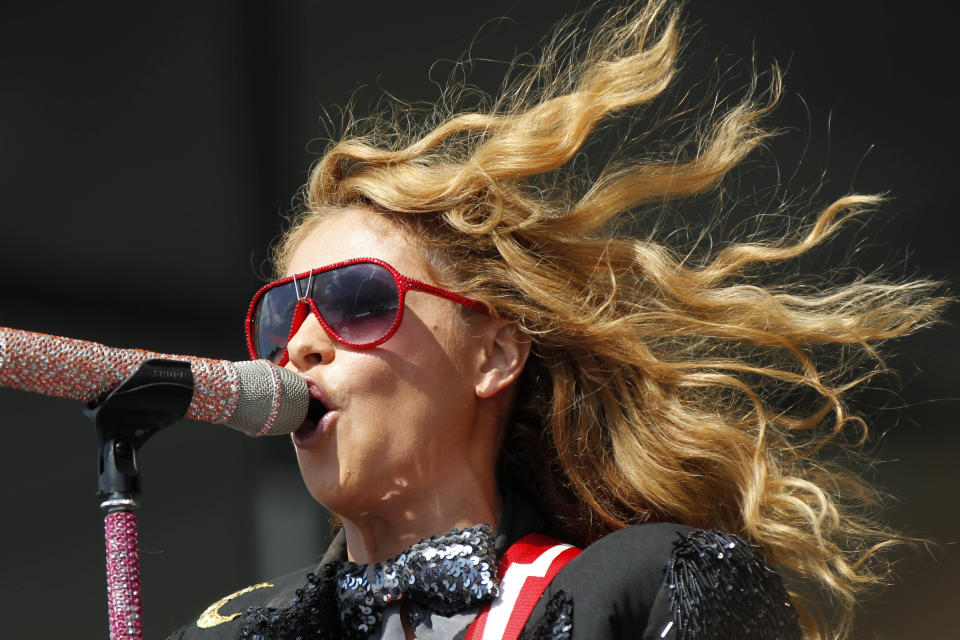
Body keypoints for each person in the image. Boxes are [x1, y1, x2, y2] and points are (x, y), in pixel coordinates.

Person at [168, 2, 947, 638]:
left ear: (494, 353)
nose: (300, 343)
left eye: (356, 301)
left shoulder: (648, 589)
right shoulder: (236, 632)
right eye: (279, 316)